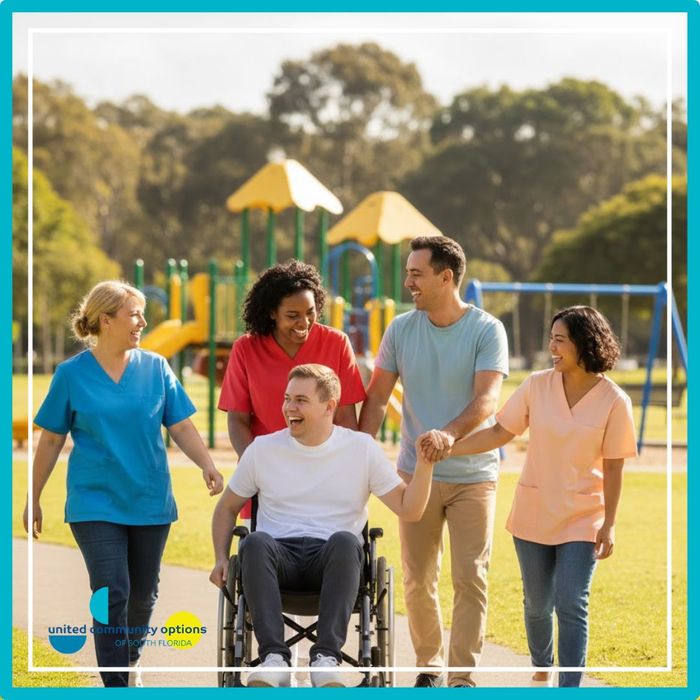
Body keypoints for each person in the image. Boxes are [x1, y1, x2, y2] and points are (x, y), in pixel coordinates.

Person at [422, 305, 637, 687]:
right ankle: (542, 662)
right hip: (534, 510)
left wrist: (611, 523)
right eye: (551, 339)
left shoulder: (615, 401)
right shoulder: (537, 385)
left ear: (585, 344)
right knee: (538, 605)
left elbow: (616, 466)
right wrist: (450, 446)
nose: (551, 347)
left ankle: (569, 686)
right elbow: (499, 433)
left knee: (572, 602)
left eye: (560, 340)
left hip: (584, 516)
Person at [23, 281, 223, 688]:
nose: (142, 322)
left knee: (142, 597)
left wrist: (206, 464)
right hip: (93, 502)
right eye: (135, 314)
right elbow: (50, 439)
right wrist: (34, 496)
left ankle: (127, 663)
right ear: (106, 319)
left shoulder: (156, 368)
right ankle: (116, 685)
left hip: (149, 499)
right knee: (112, 590)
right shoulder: (71, 374)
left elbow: (180, 424)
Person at [210, 364, 437, 688]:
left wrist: (425, 467)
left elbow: (409, 510)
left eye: (301, 400)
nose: (290, 407)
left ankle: (326, 659)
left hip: (334, 559)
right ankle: (275, 659)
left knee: (347, 541)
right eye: (287, 399)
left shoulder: (361, 449)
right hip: (277, 558)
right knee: (254, 541)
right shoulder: (263, 449)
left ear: (330, 406)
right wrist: (220, 557)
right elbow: (227, 507)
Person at [359, 235, 509, 688]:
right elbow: (378, 397)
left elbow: (487, 398)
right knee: (417, 578)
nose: (408, 282)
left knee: (470, 577)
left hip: (473, 477)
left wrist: (449, 434)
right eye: (407, 273)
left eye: (416, 274)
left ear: (446, 277)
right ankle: (430, 665)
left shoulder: (487, 330)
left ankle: (462, 676)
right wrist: (356, 452)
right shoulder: (401, 330)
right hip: (414, 474)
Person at [218, 259, 367, 519]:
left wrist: (338, 466)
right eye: (292, 316)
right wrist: (259, 465)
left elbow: (345, 419)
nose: (304, 322)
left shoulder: (337, 343)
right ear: (272, 313)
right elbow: (238, 420)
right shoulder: (246, 349)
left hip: (325, 472)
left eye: (310, 312)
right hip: (267, 475)